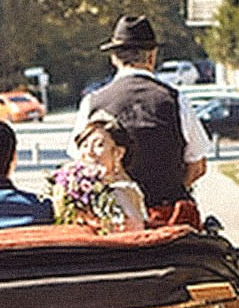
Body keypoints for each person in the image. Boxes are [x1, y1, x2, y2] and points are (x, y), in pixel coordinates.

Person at [76, 14, 211, 226]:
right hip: (169, 217)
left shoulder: (93, 102)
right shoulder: (175, 100)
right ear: (151, 56)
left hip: (115, 221)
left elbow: (82, 164)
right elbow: (198, 166)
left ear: (114, 58)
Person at [54, 113, 147, 231]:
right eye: (85, 145)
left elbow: (134, 229)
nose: (89, 152)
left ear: (118, 153)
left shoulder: (121, 190)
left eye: (99, 145)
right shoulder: (84, 188)